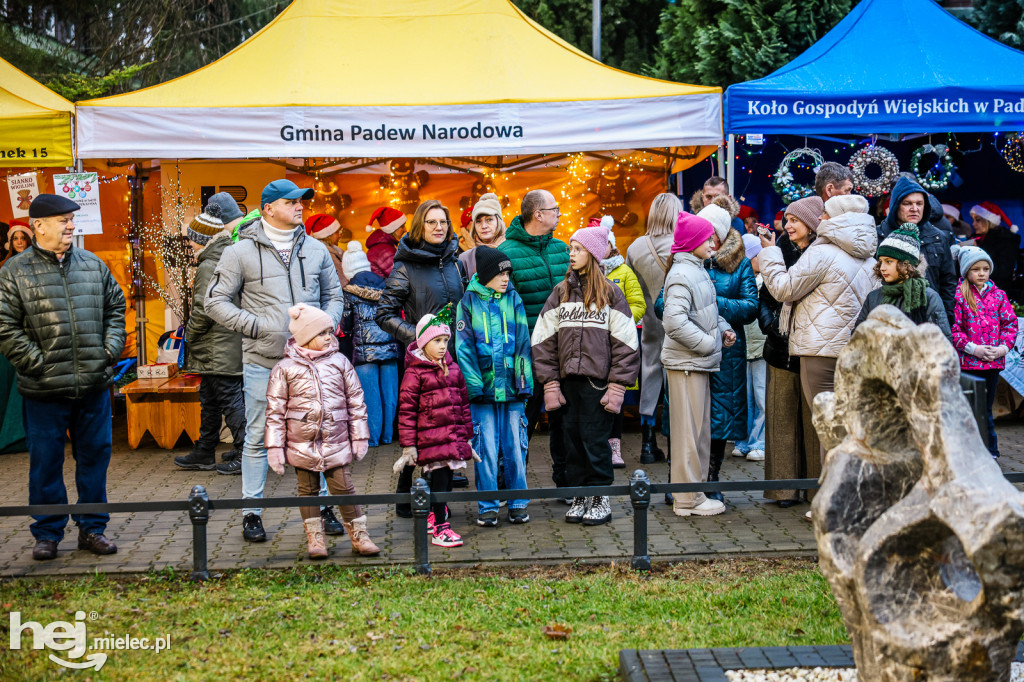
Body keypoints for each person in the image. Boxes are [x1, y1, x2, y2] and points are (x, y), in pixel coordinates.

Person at [206, 179, 344, 544]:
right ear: (267, 207)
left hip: (312, 363)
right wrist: (255, 326)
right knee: (256, 438)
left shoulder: (315, 250)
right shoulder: (238, 252)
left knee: (317, 433)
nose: (300, 207)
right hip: (262, 361)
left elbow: (335, 295)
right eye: (291, 202)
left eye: (302, 202)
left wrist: (325, 327)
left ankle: (325, 506)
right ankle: (251, 513)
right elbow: (215, 301)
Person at [0, 194, 126, 561]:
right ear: (39, 226)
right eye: (63, 220)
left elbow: (116, 308)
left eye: (72, 219)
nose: (71, 225)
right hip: (43, 389)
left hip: (92, 384)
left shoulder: (92, 264)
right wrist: (36, 362)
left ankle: (92, 529)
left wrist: (108, 351)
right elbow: (5, 326)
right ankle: (48, 533)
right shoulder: (14, 271)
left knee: (95, 459)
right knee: (45, 462)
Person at [760, 194, 879, 519]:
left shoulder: (822, 253)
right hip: (853, 349)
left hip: (819, 350)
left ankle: (832, 501)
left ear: (836, 218)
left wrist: (770, 253)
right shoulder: (868, 256)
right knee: (846, 425)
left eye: (825, 213)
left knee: (828, 427)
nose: (821, 217)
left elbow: (784, 289)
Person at [532, 222, 641, 526]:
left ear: (593, 254)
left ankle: (600, 498)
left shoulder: (612, 295)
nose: (571, 254)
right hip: (567, 385)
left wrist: (618, 387)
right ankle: (580, 494)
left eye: (578, 249)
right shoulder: (560, 293)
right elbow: (542, 340)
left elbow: (627, 344)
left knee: (595, 441)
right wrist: (551, 382)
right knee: (572, 442)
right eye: (570, 248)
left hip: (598, 385)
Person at [264, 304, 379, 558]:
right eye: (322, 333)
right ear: (305, 337)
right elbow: (275, 411)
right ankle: (315, 538)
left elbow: (356, 401)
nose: (329, 337)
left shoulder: (340, 362)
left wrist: (359, 436)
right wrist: (274, 446)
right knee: (307, 490)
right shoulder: (284, 369)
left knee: (344, 487)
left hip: (335, 440)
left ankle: (359, 535)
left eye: (330, 331)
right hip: (302, 443)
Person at [377, 199, 469, 512]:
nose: (438, 228)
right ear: (420, 226)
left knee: (445, 423)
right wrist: (418, 337)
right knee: (419, 426)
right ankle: (406, 496)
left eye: (443, 222)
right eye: (431, 222)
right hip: (422, 361)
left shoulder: (456, 262)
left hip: (453, 356)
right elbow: (384, 313)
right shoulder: (406, 266)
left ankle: (436, 486)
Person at [661, 211, 736, 517]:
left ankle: (694, 494)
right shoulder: (683, 273)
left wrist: (723, 328)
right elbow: (674, 321)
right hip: (688, 364)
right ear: (692, 242)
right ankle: (687, 499)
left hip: (695, 362)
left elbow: (705, 311)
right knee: (688, 435)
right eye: (706, 238)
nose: (712, 242)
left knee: (697, 432)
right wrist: (707, 343)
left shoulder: (697, 269)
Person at [456, 246, 533, 526]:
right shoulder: (468, 302)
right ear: (487, 273)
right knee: (485, 448)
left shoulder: (514, 299)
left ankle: (518, 502)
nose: (506, 278)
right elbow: (463, 349)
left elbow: (523, 343)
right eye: (501, 272)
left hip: (513, 391)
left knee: (515, 446)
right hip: (483, 393)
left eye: (508, 272)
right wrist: (475, 388)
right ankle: (487, 505)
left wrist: (523, 383)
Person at [499, 190, 570, 490]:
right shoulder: (507, 253)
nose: (558, 214)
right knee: (521, 421)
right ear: (538, 214)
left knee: (564, 421)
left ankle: (567, 483)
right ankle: (512, 485)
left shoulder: (564, 250)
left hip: (563, 352)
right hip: (524, 355)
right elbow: (502, 309)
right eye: (554, 209)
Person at [392, 307, 477, 547]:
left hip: (452, 439)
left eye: (445, 340)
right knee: (438, 481)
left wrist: (467, 437)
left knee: (447, 481)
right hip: (431, 440)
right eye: (436, 340)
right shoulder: (415, 374)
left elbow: (463, 405)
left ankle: (435, 516)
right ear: (423, 343)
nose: (442, 346)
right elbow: (406, 413)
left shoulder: (453, 369)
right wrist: (409, 445)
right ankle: (441, 528)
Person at [758, 198, 823, 509]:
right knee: (781, 418)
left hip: (813, 345)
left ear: (812, 223)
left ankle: (815, 489)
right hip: (781, 345)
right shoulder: (781, 247)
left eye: (796, 220)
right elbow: (766, 294)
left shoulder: (823, 252)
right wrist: (771, 324)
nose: (789, 225)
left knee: (814, 422)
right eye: (787, 219)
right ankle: (783, 490)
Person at [175, 202, 246, 474]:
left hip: (218, 344)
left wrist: (189, 336)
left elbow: (206, 308)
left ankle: (245, 451)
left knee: (228, 399)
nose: (189, 245)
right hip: (222, 343)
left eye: (191, 240)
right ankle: (205, 450)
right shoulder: (225, 256)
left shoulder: (209, 265)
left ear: (201, 240)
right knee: (211, 398)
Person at [698, 199, 758, 502]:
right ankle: (682, 478)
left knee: (720, 418)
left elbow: (750, 306)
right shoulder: (685, 259)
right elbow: (662, 304)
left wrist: (711, 303)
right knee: (690, 416)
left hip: (728, 352)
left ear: (722, 235)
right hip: (692, 351)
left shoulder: (740, 263)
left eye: (711, 233)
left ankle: (712, 478)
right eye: (701, 231)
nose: (706, 238)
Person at [625, 193, 679, 464]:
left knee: (650, 377)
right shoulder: (683, 245)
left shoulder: (635, 247)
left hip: (649, 323)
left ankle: (647, 444)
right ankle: (675, 445)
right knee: (677, 381)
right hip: (679, 322)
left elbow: (629, 288)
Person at [951, 246, 1018, 459]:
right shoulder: (959, 296)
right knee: (969, 408)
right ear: (966, 271)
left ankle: (991, 451)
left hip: (992, 364)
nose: (982, 273)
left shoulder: (999, 295)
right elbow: (954, 328)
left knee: (986, 409)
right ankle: (967, 451)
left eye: (986, 269)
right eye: (976, 269)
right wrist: (973, 348)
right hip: (968, 364)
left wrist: (1002, 348)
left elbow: (1010, 324)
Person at [340, 241, 399, 448]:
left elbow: (345, 325)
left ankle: (372, 439)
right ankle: (387, 436)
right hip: (390, 349)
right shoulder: (386, 286)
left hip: (364, 354)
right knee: (389, 396)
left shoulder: (348, 292)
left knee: (370, 398)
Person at [597, 217, 645, 467]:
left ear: (612, 245)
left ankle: (615, 447)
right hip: (594, 347)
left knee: (614, 398)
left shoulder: (624, 272)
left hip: (617, 345)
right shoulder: (588, 271)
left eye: (603, 243)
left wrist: (622, 322)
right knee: (595, 397)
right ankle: (597, 447)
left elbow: (638, 304)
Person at [855, 223, 952, 343]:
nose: (882, 268)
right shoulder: (874, 297)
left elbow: (941, 343)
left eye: (888, 262)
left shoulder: (928, 297)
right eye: (881, 262)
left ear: (907, 265)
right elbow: (858, 338)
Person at [878, 176, 956, 319]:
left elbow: (948, 282)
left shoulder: (938, 237)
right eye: (907, 203)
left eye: (919, 203)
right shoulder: (879, 236)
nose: (914, 209)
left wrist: (947, 317)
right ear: (895, 205)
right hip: (889, 318)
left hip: (929, 318)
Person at [733, 234, 766, 462]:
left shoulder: (766, 280)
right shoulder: (744, 281)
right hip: (746, 346)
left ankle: (760, 442)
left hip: (761, 346)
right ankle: (744, 440)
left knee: (761, 395)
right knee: (746, 396)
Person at [968, 202, 1019, 295]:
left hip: (996, 294)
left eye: (978, 220)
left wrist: (977, 254)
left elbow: (1003, 273)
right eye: (973, 220)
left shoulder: (1006, 240)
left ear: (989, 221)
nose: (973, 224)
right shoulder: (974, 239)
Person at [458, 193, 506, 278]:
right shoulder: (464, 259)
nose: (484, 226)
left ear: (499, 222)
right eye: (478, 221)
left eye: (489, 219)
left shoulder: (514, 252)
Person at [306, 213, 348, 287]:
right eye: (336, 232)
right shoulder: (328, 255)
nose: (339, 235)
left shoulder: (321, 251)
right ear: (327, 235)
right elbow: (343, 282)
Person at [365, 206, 406, 279]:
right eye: (402, 226)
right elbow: (402, 276)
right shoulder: (384, 251)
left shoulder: (385, 246)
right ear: (393, 229)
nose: (405, 229)